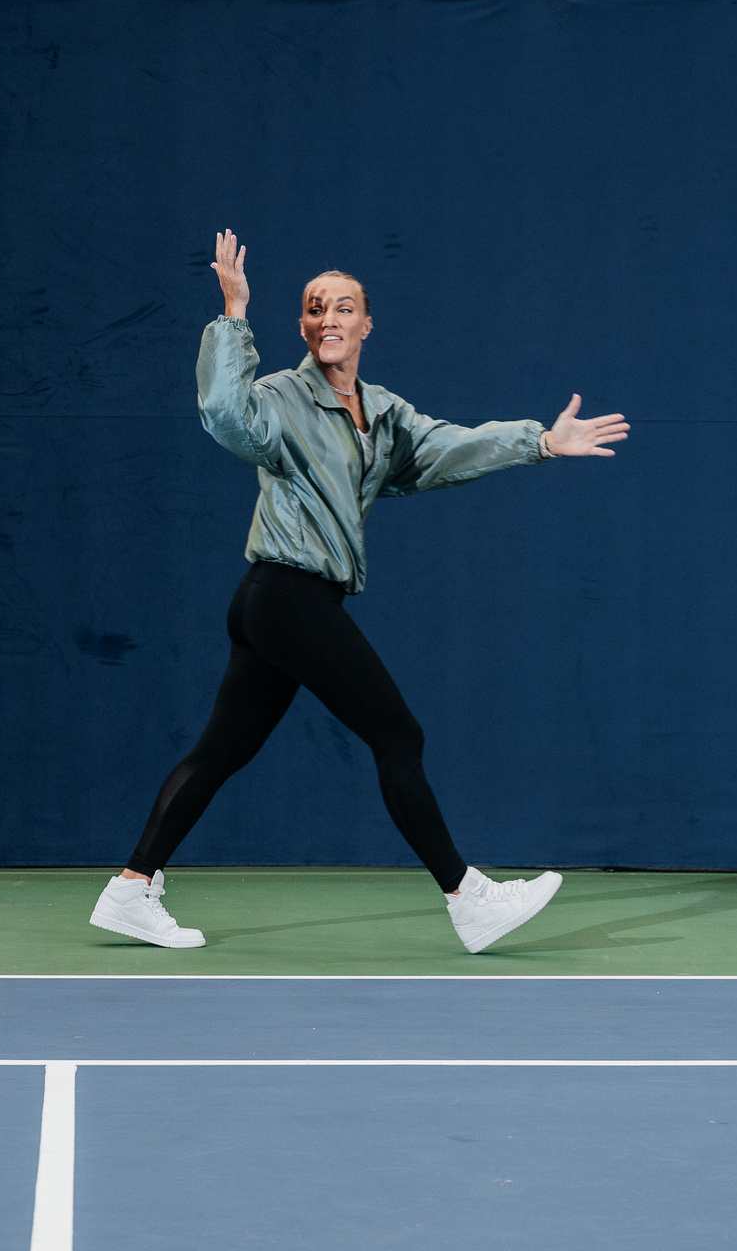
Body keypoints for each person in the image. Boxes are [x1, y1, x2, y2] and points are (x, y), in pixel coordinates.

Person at [91, 231, 629, 955]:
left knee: (221, 749)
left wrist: (537, 440)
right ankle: (468, 897)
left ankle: (131, 886)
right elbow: (224, 415)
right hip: (285, 593)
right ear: (305, 325)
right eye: (316, 308)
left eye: (343, 307)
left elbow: (445, 447)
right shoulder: (280, 397)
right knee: (398, 734)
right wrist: (233, 314)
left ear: (366, 324)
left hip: (277, 604)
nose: (328, 318)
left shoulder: (383, 412)